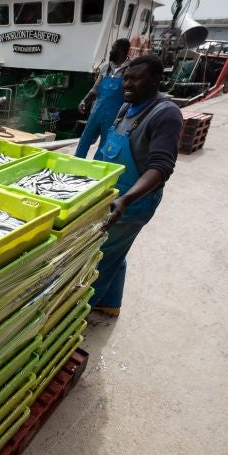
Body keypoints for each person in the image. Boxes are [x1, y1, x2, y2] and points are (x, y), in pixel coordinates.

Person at [90, 55, 183, 317]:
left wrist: (126, 200)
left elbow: (161, 168)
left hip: (132, 203)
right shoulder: (126, 107)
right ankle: (110, 303)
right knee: (116, 251)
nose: (127, 85)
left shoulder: (166, 114)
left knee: (100, 255)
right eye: (126, 78)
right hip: (113, 195)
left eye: (136, 79)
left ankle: (80, 312)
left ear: (155, 80)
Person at [75, 38, 132, 159]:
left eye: (113, 48)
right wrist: (84, 101)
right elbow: (95, 89)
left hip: (114, 116)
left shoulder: (130, 70)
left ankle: (95, 171)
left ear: (122, 51)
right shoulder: (106, 67)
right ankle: (75, 164)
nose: (111, 51)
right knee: (85, 139)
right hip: (97, 112)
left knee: (105, 144)